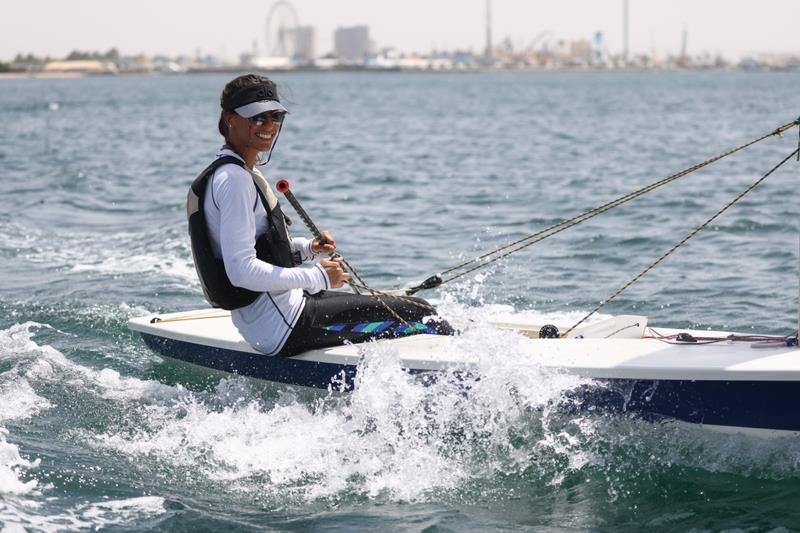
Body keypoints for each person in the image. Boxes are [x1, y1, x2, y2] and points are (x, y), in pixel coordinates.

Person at [187, 74, 453, 356]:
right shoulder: (235, 180)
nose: (268, 125)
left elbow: (261, 247)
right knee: (422, 315)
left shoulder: (235, 172)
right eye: (257, 117)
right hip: (286, 325)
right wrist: (317, 277)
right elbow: (242, 271)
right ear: (230, 119)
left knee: (411, 311)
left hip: (279, 316)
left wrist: (307, 249)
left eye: (275, 116)